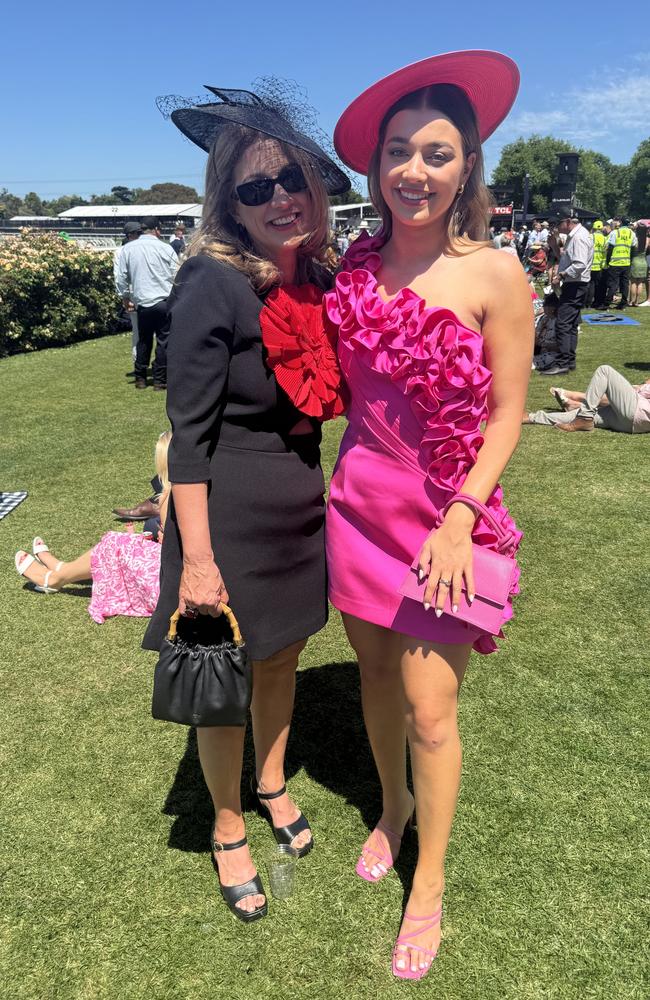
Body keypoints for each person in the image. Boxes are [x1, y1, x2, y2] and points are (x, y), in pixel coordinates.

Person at [325, 51, 531, 979]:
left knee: (431, 710)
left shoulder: (496, 275)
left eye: (436, 153)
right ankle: (393, 809)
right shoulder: (352, 271)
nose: (414, 170)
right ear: (376, 168)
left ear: (467, 166)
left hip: (443, 518)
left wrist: (460, 516)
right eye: (398, 152)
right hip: (355, 509)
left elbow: (508, 414)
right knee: (373, 678)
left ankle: (430, 882)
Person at [143, 82, 350, 923]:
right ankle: (228, 822)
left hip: (299, 513)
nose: (279, 199)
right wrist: (196, 560)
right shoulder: (210, 283)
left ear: (317, 186)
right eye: (255, 187)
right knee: (227, 674)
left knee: (282, 657)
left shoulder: (319, 279)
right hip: (224, 522)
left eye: (291, 179)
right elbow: (188, 437)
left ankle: (271, 780)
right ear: (228, 202)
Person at [14, 432, 171, 618]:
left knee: (117, 544)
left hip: (175, 586)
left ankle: (55, 578)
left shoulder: (173, 494)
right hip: (185, 574)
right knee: (134, 537)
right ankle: (61, 568)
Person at [114, 216, 178, 389]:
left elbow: (121, 278)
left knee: (144, 340)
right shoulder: (166, 248)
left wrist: (125, 297)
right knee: (164, 341)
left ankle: (140, 377)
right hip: (164, 300)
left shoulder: (128, 249)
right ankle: (160, 380)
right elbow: (176, 274)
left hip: (142, 302)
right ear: (156, 229)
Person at [540, 208, 593, 376]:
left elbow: (579, 264)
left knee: (563, 323)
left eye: (558, 223)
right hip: (575, 284)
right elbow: (567, 258)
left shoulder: (578, 237)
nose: (556, 228)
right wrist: (555, 247)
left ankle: (563, 363)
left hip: (575, 284)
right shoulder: (575, 236)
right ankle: (568, 360)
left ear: (568, 222)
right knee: (570, 324)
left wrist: (561, 275)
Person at [524, 366, 650, 433]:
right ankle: (530, 417)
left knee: (604, 371)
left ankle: (584, 416)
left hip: (638, 410)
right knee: (579, 415)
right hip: (634, 426)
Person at [113, 221, 142, 363]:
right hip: (134, 294)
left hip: (137, 293)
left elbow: (118, 277)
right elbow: (119, 277)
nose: (141, 235)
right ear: (130, 235)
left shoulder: (121, 251)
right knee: (139, 330)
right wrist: (125, 296)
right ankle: (139, 364)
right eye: (139, 233)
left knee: (139, 330)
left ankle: (141, 366)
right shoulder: (121, 252)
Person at [606, 217, 636, 309]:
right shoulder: (632, 233)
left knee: (613, 284)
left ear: (621, 223)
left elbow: (610, 248)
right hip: (626, 263)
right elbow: (633, 249)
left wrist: (608, 260)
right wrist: (630, 260)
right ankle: (623, 304)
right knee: (624, 284)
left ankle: (607, 302)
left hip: (615, 262)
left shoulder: (615, 232)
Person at [588, 220, 608, 309]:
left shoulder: (590, 237)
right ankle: (595, 301)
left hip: (590, 264)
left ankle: (587, 302)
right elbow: (605, 252)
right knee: (597, 285)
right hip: (599, 265)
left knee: (589, 284)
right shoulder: (604, 238)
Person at [629, 223, 648, 305]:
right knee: (640, 283)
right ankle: (637, 301)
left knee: (633, 282)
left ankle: (631, 301)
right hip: (643, 262)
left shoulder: (635, 239)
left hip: (635, 261)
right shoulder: (647, 239)